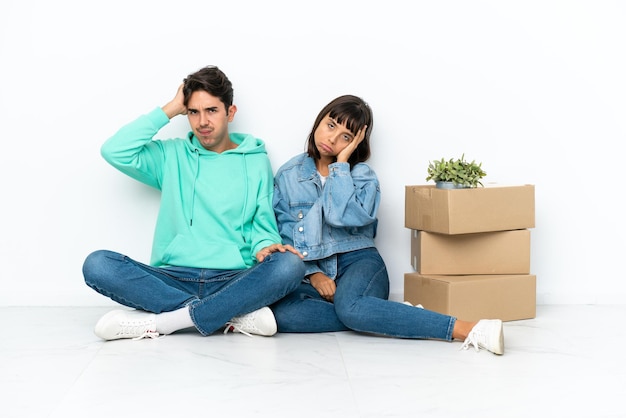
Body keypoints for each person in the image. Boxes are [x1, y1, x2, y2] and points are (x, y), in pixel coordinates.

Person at [83, 65, 305, 341]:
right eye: (193, 112)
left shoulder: (255, 159)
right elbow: (115, 150)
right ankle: (230, 315)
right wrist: (171, 107)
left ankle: (167, 322)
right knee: (98, 264)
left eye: (211, 110)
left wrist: (264, 246)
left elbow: (262, 220)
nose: (202, 121)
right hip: (172, 277)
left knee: (290, 265)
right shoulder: (171, 155)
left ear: (230, 113)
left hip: (233, 279)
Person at [269, 94, 504, 355]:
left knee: (350, 307)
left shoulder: (362, 176)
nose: (333, 139)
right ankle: (386, 314)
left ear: (357, 143)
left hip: (358, 260)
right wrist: (313, 273)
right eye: (331, 125)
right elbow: (285, 233)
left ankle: (467, 328)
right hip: (313, 267)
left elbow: (340, 216)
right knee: (282, 314)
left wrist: (341, 165)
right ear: (318, 122)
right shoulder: (288, 175)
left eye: (347, 136)